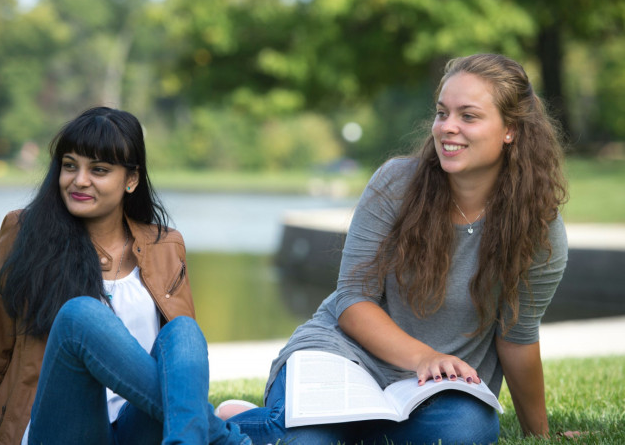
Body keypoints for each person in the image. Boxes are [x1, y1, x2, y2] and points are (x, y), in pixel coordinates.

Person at [217, 53, 569, 444]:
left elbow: (517, 338)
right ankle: (233, 426)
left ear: (511, 130)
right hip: (343, 356)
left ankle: (287, 426)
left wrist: (540, 436)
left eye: (468, 116)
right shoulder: (396, 184)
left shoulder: (538, 230)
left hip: (434, 389)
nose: (447, 128)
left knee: (465, 433)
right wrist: (424, 356)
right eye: (441, 113)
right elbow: (353, 301)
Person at [0, 107, 251, 445]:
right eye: (70, 166)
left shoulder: (166, 246)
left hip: (137, 428)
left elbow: (182, 375)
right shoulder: (24, 233)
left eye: (99, 170)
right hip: (62, 428)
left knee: (184, 332)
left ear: (131, 180)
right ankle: (228, 441)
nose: (79, 180)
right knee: (81, 315)